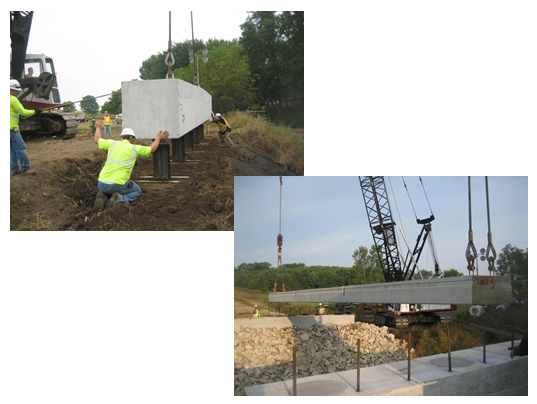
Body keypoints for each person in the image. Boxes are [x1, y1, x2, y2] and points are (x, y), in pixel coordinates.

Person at [93, 121, 169, 210]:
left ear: (122, 137)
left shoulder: (112, 144)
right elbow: (152, 149)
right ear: (132, 139)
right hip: (117, 184)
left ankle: (104, 197)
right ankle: (119, 199)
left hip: (101, 183)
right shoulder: (135, 148)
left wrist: (98, 127)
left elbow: (97, 140)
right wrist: (159, 138)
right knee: (136, 191)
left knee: (109, 189)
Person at [10, 79, 41, 175]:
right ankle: (25, 168)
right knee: (21, 148)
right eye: (16, 90)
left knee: (12, 150)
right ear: (10, 89)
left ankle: (14, 169)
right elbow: (23, 112)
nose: (18, 91)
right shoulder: (13, 99)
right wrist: (34, 111)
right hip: (12, 129)